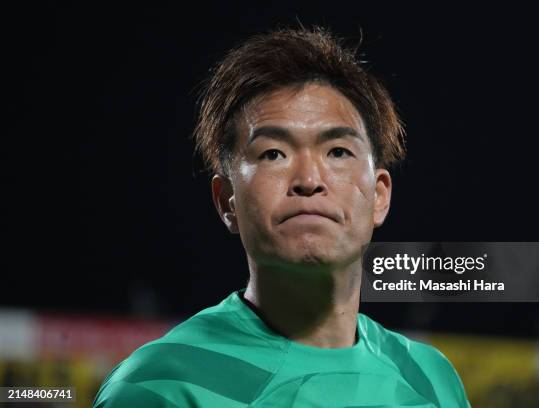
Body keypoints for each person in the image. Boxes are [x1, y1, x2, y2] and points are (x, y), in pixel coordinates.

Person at [93, 26, 470, 407]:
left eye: (338, 152)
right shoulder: (161, 386)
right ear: (227, 202)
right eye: (273, 153)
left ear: (379, 196)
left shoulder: (431, 380)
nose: (308, 180)